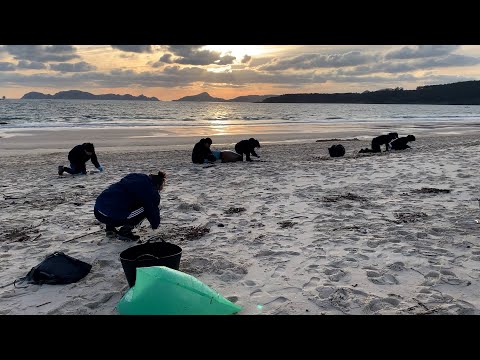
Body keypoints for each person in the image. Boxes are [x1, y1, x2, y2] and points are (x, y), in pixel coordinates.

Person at [93, 171, 166, 241]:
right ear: (157, 185)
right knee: (144, 209)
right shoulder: (152, 192)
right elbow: (152, 211)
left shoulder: (135, 176)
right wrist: (155, 225)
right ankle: (125, 232)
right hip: (112, 218)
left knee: (118, 200)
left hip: (98, 210)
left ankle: (110, 229)